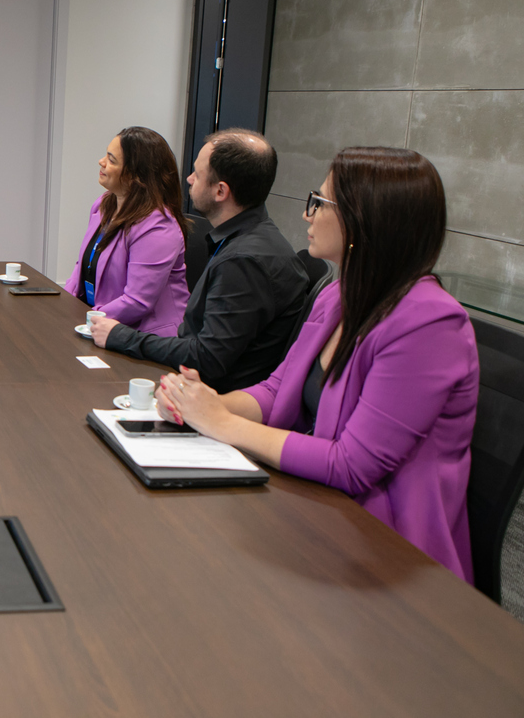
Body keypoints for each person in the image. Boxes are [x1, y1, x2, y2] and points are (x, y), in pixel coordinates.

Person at [156, 147, 478, 582]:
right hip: (319, 509)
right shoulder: (337, 294)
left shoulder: (430, 324)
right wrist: (200, 404)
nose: (307, 214)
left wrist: (222, 423)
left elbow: (351, 465)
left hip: (388, 553)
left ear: (363, 220)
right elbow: (277, 390)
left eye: (319, 203)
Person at [88, 128, 308, 392]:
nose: (189, 179)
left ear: (220, 191)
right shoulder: (250, 237)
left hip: (216, 396)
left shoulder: (244, 262)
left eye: (197, 174)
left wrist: (122, 337)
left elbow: (207, 359)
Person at [63, 126, 189, 336]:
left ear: (135, 175)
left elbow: (137, 301)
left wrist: (86, 319)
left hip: (147, 337)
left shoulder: (158, 227)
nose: (101, 162)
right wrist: (62, 304)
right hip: (102, 323)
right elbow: (83, 265)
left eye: (111, 160)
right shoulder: (104, 205)